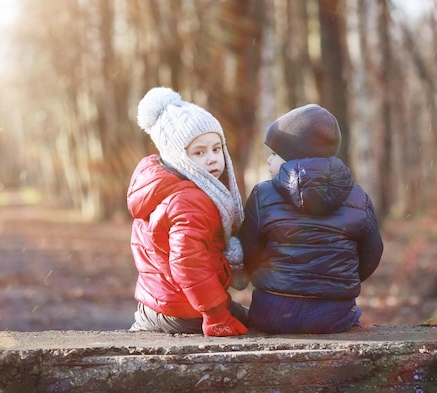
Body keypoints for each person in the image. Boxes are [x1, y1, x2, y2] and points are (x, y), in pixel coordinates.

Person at [238, 103, 384, 334]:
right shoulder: (358, 197)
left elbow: (249, 252)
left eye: (274, 153)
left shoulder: (262, 195)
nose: (268, 160)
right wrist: (337, 280)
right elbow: (372, 253)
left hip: (273, 312)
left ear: (291, 157)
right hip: (335, 316)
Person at [128, 86, 249, 337]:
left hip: (164, 299)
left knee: (248, 316)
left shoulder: (170, 186)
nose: (213, 159)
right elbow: (188, 262)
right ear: (177, 156)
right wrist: (216, 315)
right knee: (257, 324)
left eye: (217, 149)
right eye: (199, 152)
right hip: (182, 309)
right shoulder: (189, 200)